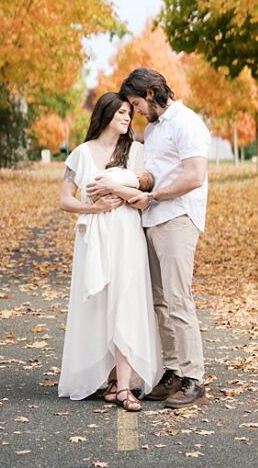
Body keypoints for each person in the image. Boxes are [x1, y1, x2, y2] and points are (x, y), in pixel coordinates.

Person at [88, 67, 211, 408]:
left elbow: (194, 176)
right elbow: (154, 174)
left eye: (137, 103)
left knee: (177, 298)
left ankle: (193, 378)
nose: (136, 111)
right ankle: (173, 371)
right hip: (152, 218)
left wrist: (154, 197)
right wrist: (123, 185)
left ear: (153, 92)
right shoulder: (155, 129)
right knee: (159, 301)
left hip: (177, 217)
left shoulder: (187, 123)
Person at [57, 92, 161, 412]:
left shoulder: (137, 152)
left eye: (129, 113)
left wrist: (117, 190)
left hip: (128, 235)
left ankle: (126, 387)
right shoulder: (81, 154)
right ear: (105, 115)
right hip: (95, 239)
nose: (127, 118)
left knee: (126, 304)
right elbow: (65, 200)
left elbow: (146, 188)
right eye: (120, 113)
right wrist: (94, 208)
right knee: (102, 307)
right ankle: (112, 380)